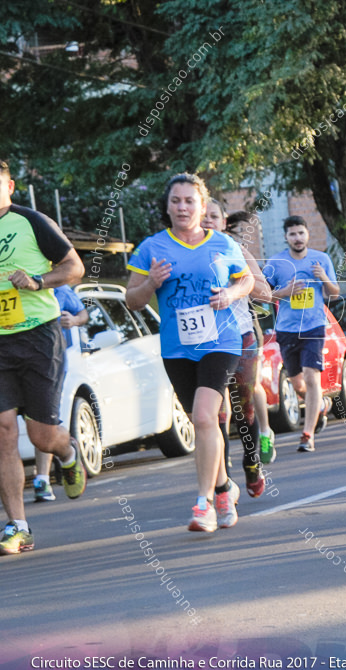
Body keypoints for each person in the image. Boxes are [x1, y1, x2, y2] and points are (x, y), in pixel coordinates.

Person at [126, 173, 254, 532]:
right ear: (167, 207)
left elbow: (246, 280)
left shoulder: (223, 244)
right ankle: (225, 486)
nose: (183, 207)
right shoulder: (152, 248)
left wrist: (230, 294)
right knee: (204, 423)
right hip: (178, 348)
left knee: (202, 417)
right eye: (176, 201)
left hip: (221, 341)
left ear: (202, 205)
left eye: (190, 201)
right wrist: (151, 282)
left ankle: (204, 505)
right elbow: (132, 300)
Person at [0, 160, 87, 554]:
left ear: (11, 186)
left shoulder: (32, 221)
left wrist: (37, 281)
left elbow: (74, 267)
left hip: (38, 335)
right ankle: (17, 526)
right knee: (3, 431)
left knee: (42, 436)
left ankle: (67, 453)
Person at [202, 201, 273, 497]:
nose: (206, 221)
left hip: (241, 337)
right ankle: (224, 483)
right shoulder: (182, 252)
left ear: (224, 221)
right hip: (203, 342)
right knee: (215, 414)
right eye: (202, 215)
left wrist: (238, 282)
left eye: (213, 216)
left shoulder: (235, 250)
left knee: (243, 410)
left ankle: (252, 462)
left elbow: (265, 292)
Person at [262, 216, 340, 452]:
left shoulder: (321, 259)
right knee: (298, 384)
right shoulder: (276, 263)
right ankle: (321, 406)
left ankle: (308, 435)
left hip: (314, 327)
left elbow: (334, 294)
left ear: (307, 234)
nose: (297, 238)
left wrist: (323, 277)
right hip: (286, 329)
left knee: (311, 375)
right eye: (292, 234)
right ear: (286, 237)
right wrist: (285, 291)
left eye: (301, 233)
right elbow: (263, 294)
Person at [32, 284, 88, 502]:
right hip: (13, 362)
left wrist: (73, 321)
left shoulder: (58, 288)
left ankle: (42, 479)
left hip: (50, 365)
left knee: (42, 420)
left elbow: (82, 313)